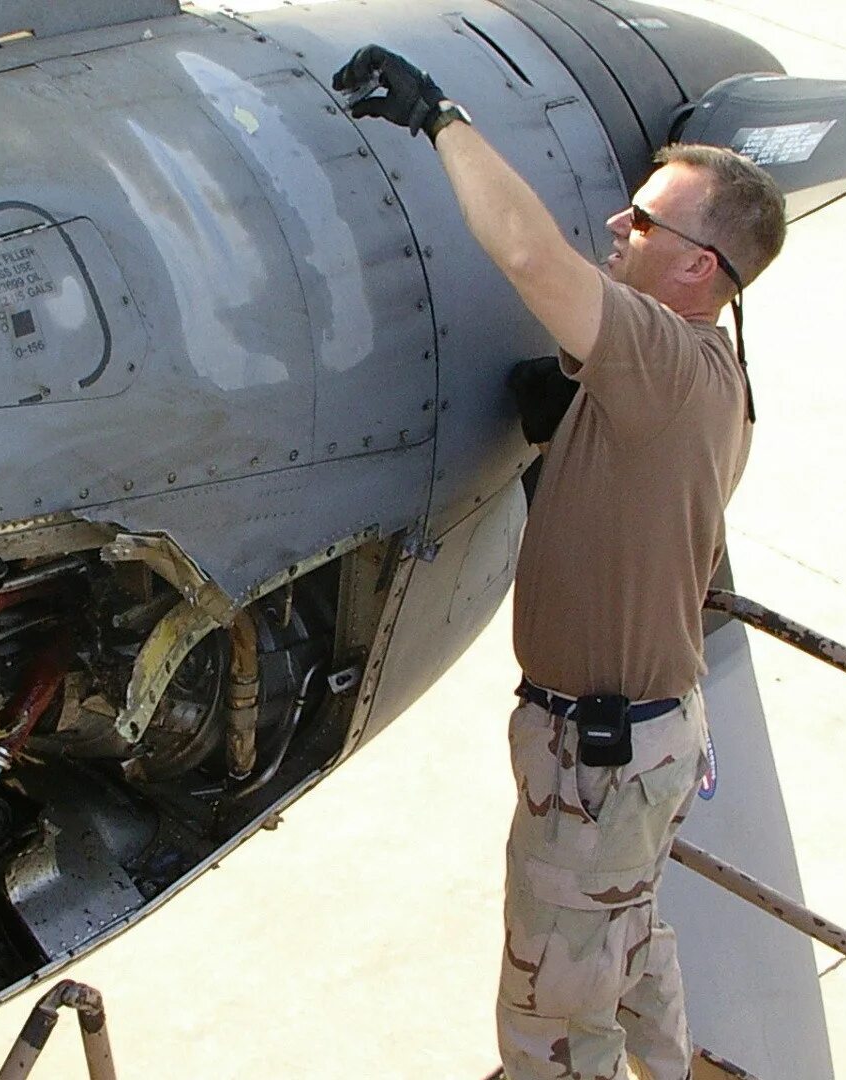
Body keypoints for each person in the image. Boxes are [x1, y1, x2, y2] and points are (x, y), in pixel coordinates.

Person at [332, 46, 788, 1080]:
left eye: (645, 223)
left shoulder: (662, 363)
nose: (619, 228)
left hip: (601, 761)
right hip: (639, 742)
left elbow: (535, 261)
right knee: (622, 949)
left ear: (696, 270)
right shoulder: (709, 371)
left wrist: (439, 117)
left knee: (548, 1018)